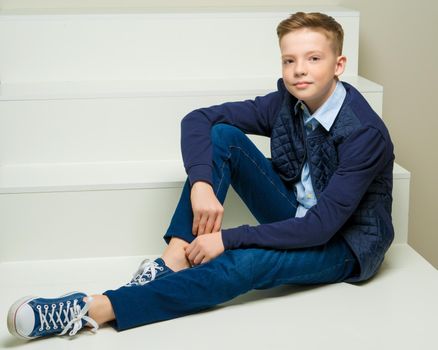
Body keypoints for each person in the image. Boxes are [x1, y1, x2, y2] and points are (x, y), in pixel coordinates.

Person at [7, 11, 394, 340]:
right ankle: (173, 260)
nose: (299, 71)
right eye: (289, 60)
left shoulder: (364, 133)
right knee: (223, 135)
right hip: (294, 212)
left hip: (342, 244)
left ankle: (96, 308)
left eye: (313, 59)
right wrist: (203, 186)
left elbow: (319, 229)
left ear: (338, 65)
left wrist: (226, 239)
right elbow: (198, 119)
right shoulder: (286, 103)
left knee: (245, 263)